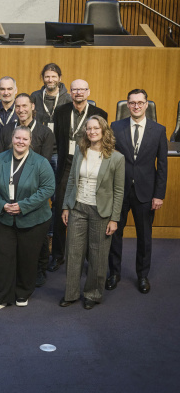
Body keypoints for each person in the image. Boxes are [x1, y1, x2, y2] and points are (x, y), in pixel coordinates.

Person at [0, 126, 55, 313]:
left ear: (30, 141)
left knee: (27, 257)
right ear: (12, 138)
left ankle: (23, 291)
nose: (20, 142)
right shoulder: (0, 160)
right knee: (2, 258)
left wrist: (23, 205)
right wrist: (2, 204)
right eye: (18, 138)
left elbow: (48, 188)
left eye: (25, 139)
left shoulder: (40, 162)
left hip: (33, 219)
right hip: (4, 216)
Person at [60, 116, 124, 310]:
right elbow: (72, 180)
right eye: (89, 128)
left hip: (101, 212)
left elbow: (119, 191)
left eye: (96, 128)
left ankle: (93, 294)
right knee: (73, 252)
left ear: (104, 130)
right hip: (78, 207)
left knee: (98, 254)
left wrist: (114, 219)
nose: (92, 132)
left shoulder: (116, 158)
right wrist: (66, 206)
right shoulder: (80, 151)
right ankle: (71, 293)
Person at [107, 89, 168, 294]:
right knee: (114, 234)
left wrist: (159, 195)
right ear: (127, 104)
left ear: (146, 104)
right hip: (119, 190)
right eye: (132, 103)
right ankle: (114, 273)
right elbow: (108, 158)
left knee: (144, 237)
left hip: (146, 192)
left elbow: (163, 165)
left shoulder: (158, 130)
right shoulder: (116, 127)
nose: (136, 106)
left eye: (140, 103)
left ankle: (142, 276)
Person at [0, 93, 56, 287]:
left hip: (33, 193)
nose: (21, 110)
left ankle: (39, 270)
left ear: (32, 107)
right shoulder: (7, 130)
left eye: (25, 106)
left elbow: (44, 163)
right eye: (18, 106)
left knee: (37, 240)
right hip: (8, 193)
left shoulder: (45, 132)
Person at [50, 79, 107, 273]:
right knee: (60, 208)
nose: (78, 93)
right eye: (75, 90)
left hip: (90, 164)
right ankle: (58, 255)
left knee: (90, 210)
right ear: (70, 92)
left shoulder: (100, 114)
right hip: (66, 165)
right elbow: (58, 139)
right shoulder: (61, 112)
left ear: (88, 92)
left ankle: (90, 258)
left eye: (82, 89)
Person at [30, 63, 71, 133]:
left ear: (60, 78)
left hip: (60, 137)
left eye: (54, 77)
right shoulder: (35, 96)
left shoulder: (68, 99)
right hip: (38, 136)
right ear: (43, 78)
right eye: (47, 77)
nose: (50, 80)